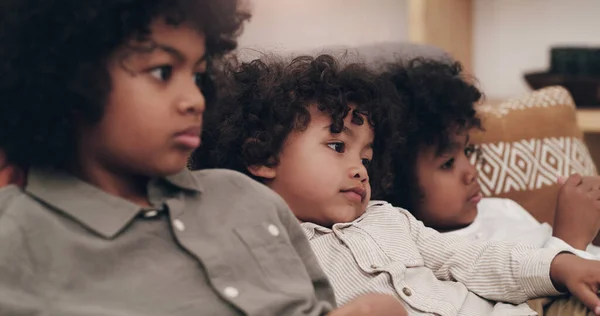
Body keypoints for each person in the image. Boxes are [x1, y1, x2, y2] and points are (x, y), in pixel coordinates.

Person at [0, 1, 405, 315]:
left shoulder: (248, 198)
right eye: (162, 71)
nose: (195, 99)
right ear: (70, 77)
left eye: (197, 75)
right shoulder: (16, 237)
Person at [191, 54, 600, 315]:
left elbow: (474, 260)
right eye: (337, 146)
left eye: (366, 157)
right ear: (263, 156)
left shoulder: (390, 221)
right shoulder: (261, 247)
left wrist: (559, 264)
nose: (359, 169)